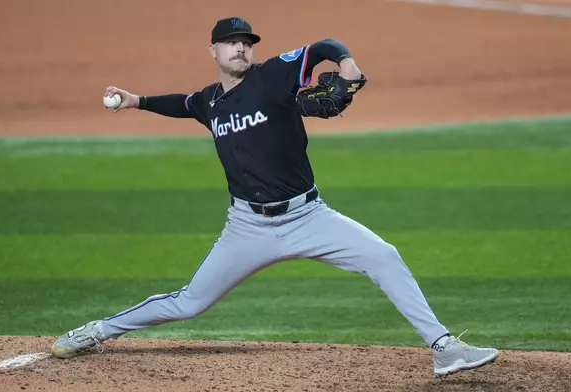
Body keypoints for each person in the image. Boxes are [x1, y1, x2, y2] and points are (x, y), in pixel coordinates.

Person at [51, 16, 499, 377]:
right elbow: (183, 103)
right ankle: (97, 331)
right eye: (230, 42)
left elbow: (322, 44)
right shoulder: (211, 102)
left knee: (383, 255)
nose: (240, 48)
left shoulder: (274, 76)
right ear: (214, 51)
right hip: (247, 228)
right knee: (190, 302)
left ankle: (444, 348)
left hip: (309, 217)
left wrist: (346, 66)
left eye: (246, 41)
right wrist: (137, 100)